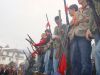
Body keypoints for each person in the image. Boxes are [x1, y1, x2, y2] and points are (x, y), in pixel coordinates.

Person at [68, 0, 94, 74]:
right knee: (74, 62)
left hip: (83, 36)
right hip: (74, 37)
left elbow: (91, 19)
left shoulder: (91, 8)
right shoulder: (78, 11)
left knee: (85, 62)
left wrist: (79, 20)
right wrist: (81, 20)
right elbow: (72, 23)